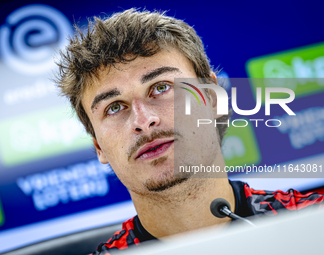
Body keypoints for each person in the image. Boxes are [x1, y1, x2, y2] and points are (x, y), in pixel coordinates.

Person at [55, 9, 324, 254]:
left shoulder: (316, 224)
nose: (143, 120)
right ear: (99, 146)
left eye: (161, 88)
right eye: (114, 107)